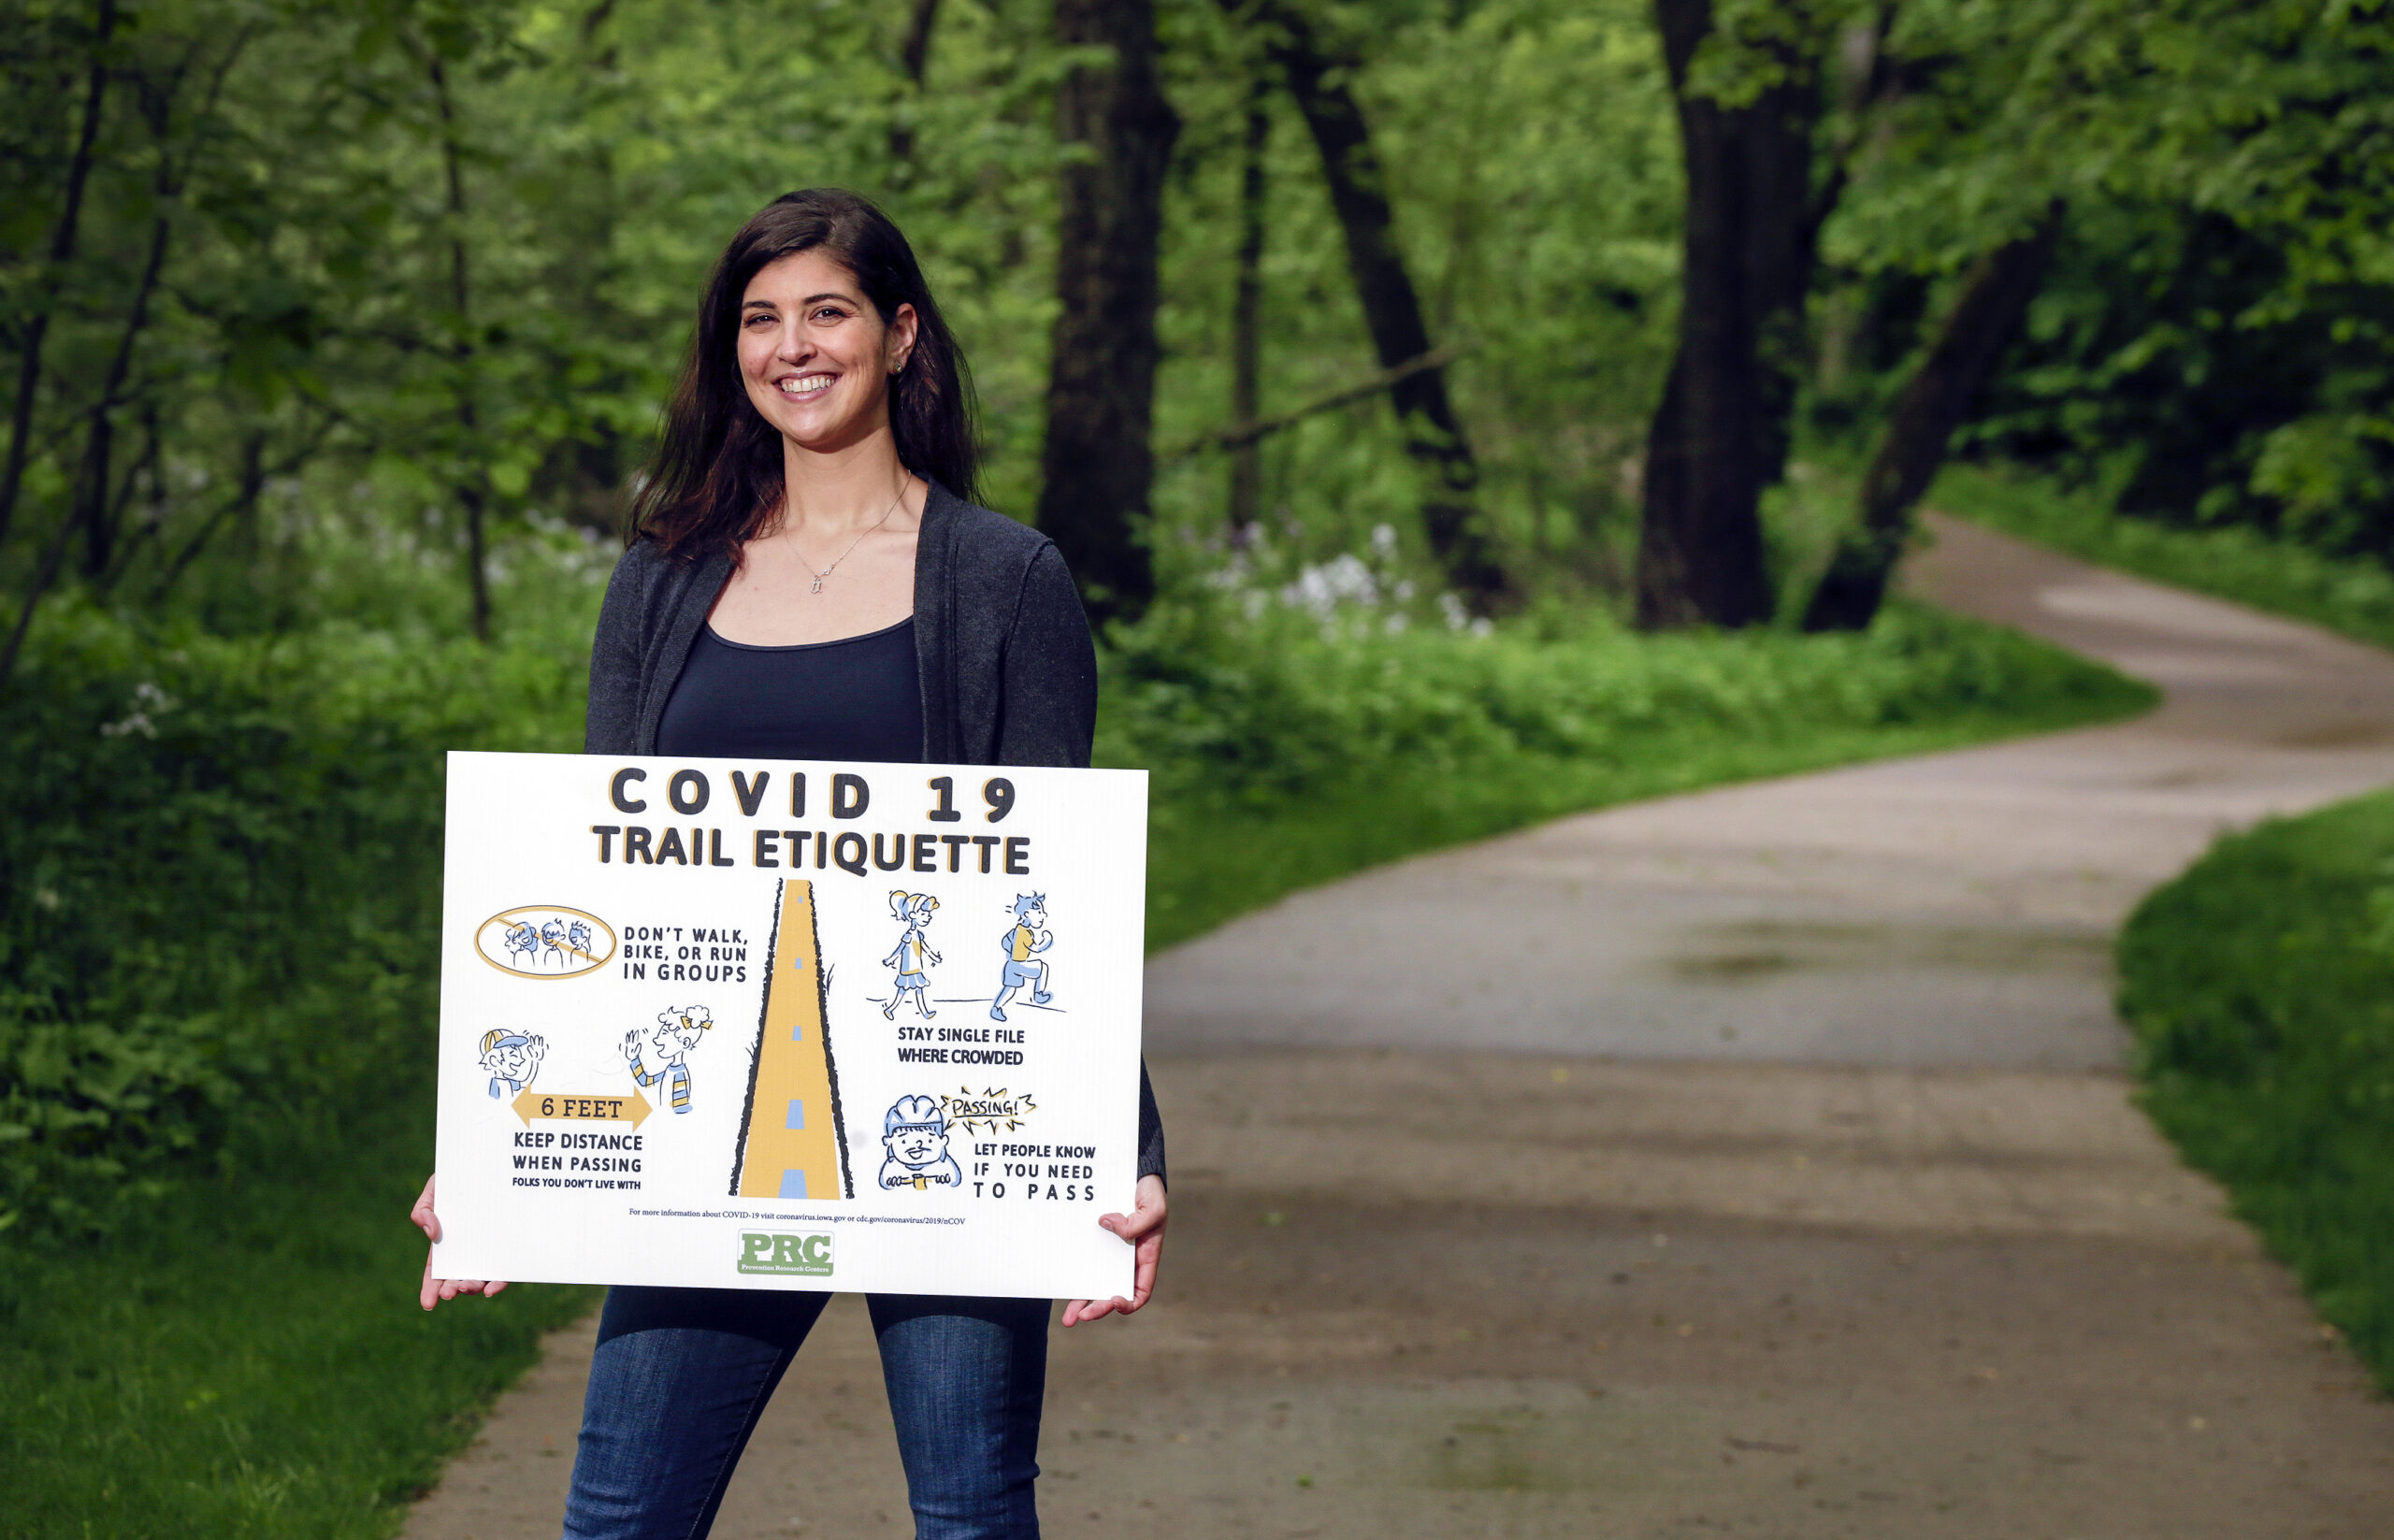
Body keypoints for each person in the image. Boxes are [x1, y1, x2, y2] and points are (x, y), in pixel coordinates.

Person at [410, 188, 1169, 1540]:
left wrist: (1129, 1147)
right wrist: (496, 1156)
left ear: (900, 334)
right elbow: (605, 886)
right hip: (710, 1135)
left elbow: (1058, 894)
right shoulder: (661, 579)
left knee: (972, 1518)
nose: (793, 347)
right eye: (760, 320)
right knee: (619, 1516)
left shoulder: (1006, 581)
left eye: (827, 311)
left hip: (947, 1138)